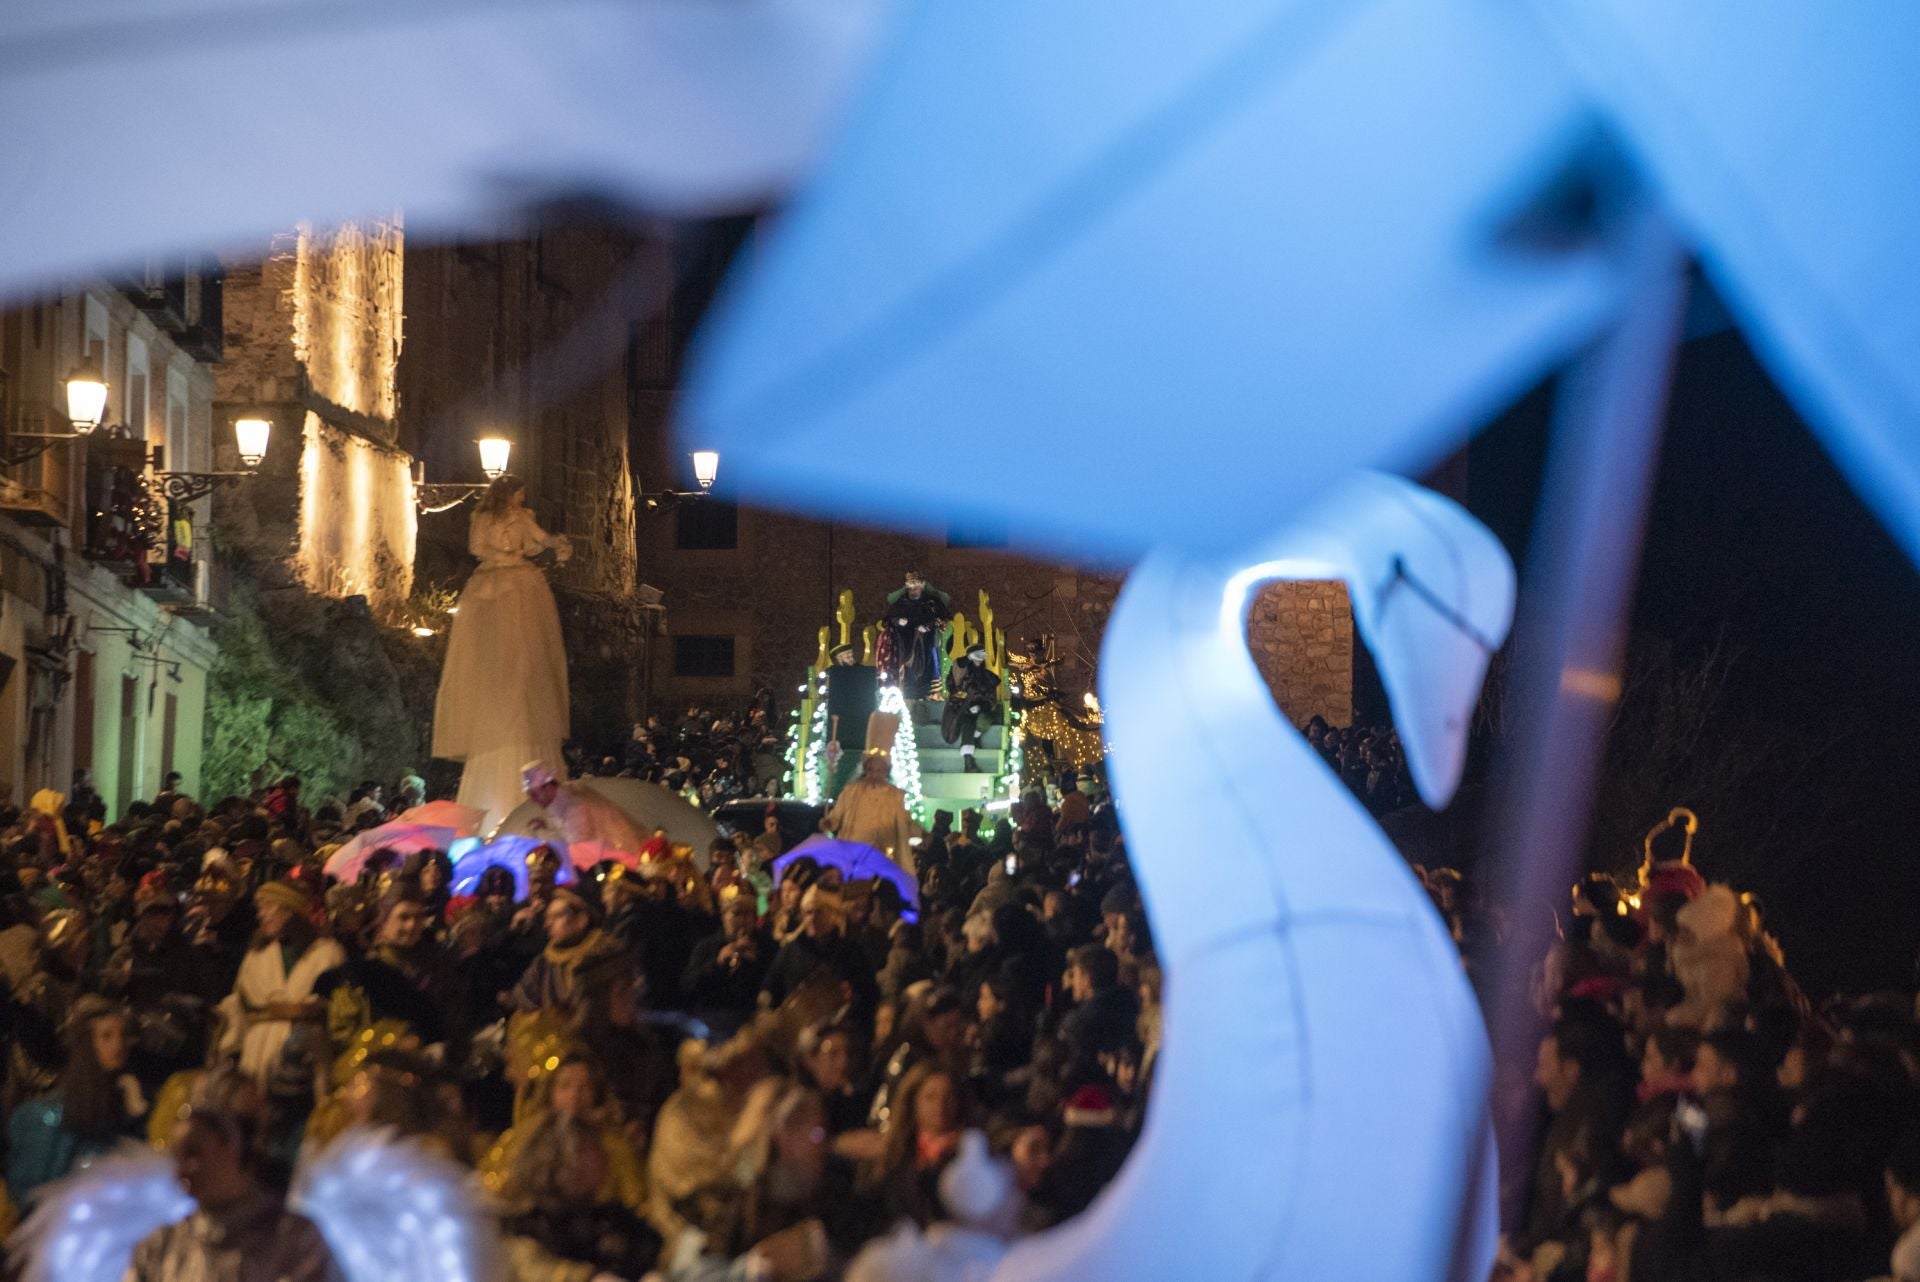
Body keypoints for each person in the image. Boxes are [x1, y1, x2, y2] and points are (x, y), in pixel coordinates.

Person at [432, 473, 573, 831]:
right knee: (497, 653)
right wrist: (505, 553)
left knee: (526, 653)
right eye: (519, 492)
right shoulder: (482, 518)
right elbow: (477, 546)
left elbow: (541, 538)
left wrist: (557, 544)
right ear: (508, 493)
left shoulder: (525, 517)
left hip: (521, 584)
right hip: (494, 586)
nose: (522, 497)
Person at [127, 1077, 345, 1282]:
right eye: (177, 1157)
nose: (181, 1171)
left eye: (193, 1154)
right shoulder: (161, 1246)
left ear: (232, 1147)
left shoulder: (293, 1240)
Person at [6, 996, 144, 1204]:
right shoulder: (49, 1114)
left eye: (123, 1035)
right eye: (106, 1036)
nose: (118, 1045)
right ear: (88, 1042)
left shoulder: (127, 1096)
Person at [219, 880, 346, 1095]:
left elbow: (341, 1006)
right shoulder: (256, 956)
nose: (261, 915)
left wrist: (311, 1011)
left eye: (268, 907)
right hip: (258, 1056)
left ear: (288, 910)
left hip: (306, 1057)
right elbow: (240, 1004)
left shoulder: (327, 953)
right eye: (260, 908)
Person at [518, 760, 652, 859]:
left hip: (615, 858)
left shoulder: (574, 805)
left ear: (548, 788)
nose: (533, 800)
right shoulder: (563, 799)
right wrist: (546, 824)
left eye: (535, 795)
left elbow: (580, 843)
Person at [826, 751, 917, 873]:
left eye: (879, 770)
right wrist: (828, 823)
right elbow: (835, 817)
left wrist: (921, 834)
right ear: (865, 771)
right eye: (870, 770)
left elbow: (905, 822)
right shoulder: (851, 792)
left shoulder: (895, 796)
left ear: (886, 772)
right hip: (853, 854)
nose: (874, 774)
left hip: (882, 855)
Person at [880, 572, 952, 701]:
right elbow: (888, 620)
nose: (913, 591)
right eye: (911, 588)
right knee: (906, 667)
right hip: (905, 641)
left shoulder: (931, 602)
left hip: (926, 641)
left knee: (929, 664)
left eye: (916, 587)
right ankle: (906, 693)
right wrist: (898, 621)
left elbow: (943, 619)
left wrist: (928, 626)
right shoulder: (901, 602)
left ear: (922, 587)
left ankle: (930, 693)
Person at [825, 642, 881, 800]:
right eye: (847, 656)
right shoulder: (833, 673)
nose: (851, 658)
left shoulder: (861, 672)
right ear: (839, 658)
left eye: (851, 655)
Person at [941, 648, 1000, 774]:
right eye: (976, 656)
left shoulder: (987, 677)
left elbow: (991, 699)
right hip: (959, 708)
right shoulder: (961, 674)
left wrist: (981, 707)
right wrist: (968, 658)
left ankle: (975, 737)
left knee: (986, 719)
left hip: (979, 710)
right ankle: (968, 760)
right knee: (967, 724)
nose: (978, 659)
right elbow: (958, 670)